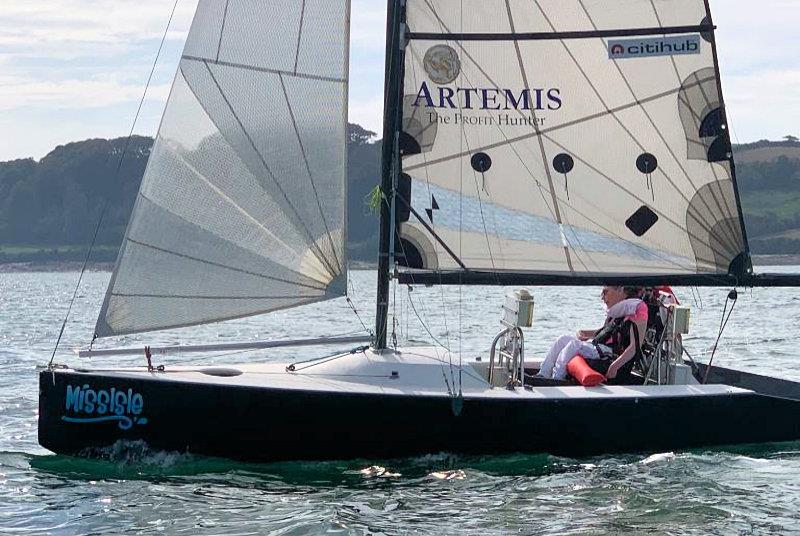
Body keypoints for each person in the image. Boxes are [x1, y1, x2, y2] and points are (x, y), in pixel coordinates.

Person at [537, 286, 648, 383]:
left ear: (620, 290)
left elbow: (635, 346)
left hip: (612, 355)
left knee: (573, 345)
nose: (602, 297)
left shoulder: (637, 308)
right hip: (601, 348)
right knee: (562, 339)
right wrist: (587, 333)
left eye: (605, 292)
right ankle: (543, 374)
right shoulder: (616, 310)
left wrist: (614, 367)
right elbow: (606, 332)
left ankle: (557, 379)